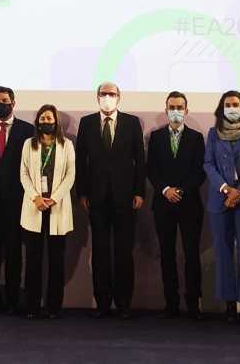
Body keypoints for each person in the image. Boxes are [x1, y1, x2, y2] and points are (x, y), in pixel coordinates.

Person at [75, 82, 145, 319]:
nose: (107, 98)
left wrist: (139, 192)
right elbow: (80, 161)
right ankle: (103, 302)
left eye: (111, 94)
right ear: (97, 98)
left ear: (119, 98)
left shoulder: (132, 123)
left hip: (126, 198)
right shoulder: (86, 123)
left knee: (124, 252)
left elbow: (140, 161)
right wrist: (82, 193)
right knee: (101, 251)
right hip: (96, 198)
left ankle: (124, 303)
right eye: (103, 94)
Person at [147, 91, 206, 319]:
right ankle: (171, 303)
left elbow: (200, 171)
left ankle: (193, 304)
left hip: (189, 203)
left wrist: (181, 190)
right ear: (166, 110)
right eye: (172, 107)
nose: (176, 111)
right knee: (167, 254)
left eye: (180, 107)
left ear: (186, 111)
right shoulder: (156, 137)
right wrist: (166, 190)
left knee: (192, 254)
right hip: (163, 204)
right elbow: (151, 169)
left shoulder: (197, 138)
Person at [0, 86, 35, 315]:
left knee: (13, 254)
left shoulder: (27, 130)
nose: (1, 104)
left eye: (5, 100)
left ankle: (12, 300)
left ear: (13, 103)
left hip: (16, 202)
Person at [203, 91, 240, 322]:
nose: (232, 108)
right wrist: (226, 188)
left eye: (236, 104)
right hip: (220, 201)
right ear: (221, 108)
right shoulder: (213, 134)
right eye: (228, 104)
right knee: (223, 253)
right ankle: (228, 304)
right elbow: (208, 163)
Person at [20, 104, 75, 320]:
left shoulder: (66, 145)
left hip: (57, 207)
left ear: (56, 121)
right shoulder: (28, 144)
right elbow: (23, 173)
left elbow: (71, 175)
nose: (46, 121)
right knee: (32, 260)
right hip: (34, 206)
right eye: (42, 118)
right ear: (37, 122)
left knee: (56, 260)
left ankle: (53, 307)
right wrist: (36, 197)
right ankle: (32, 306)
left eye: (49, 118)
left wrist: (54, 198)